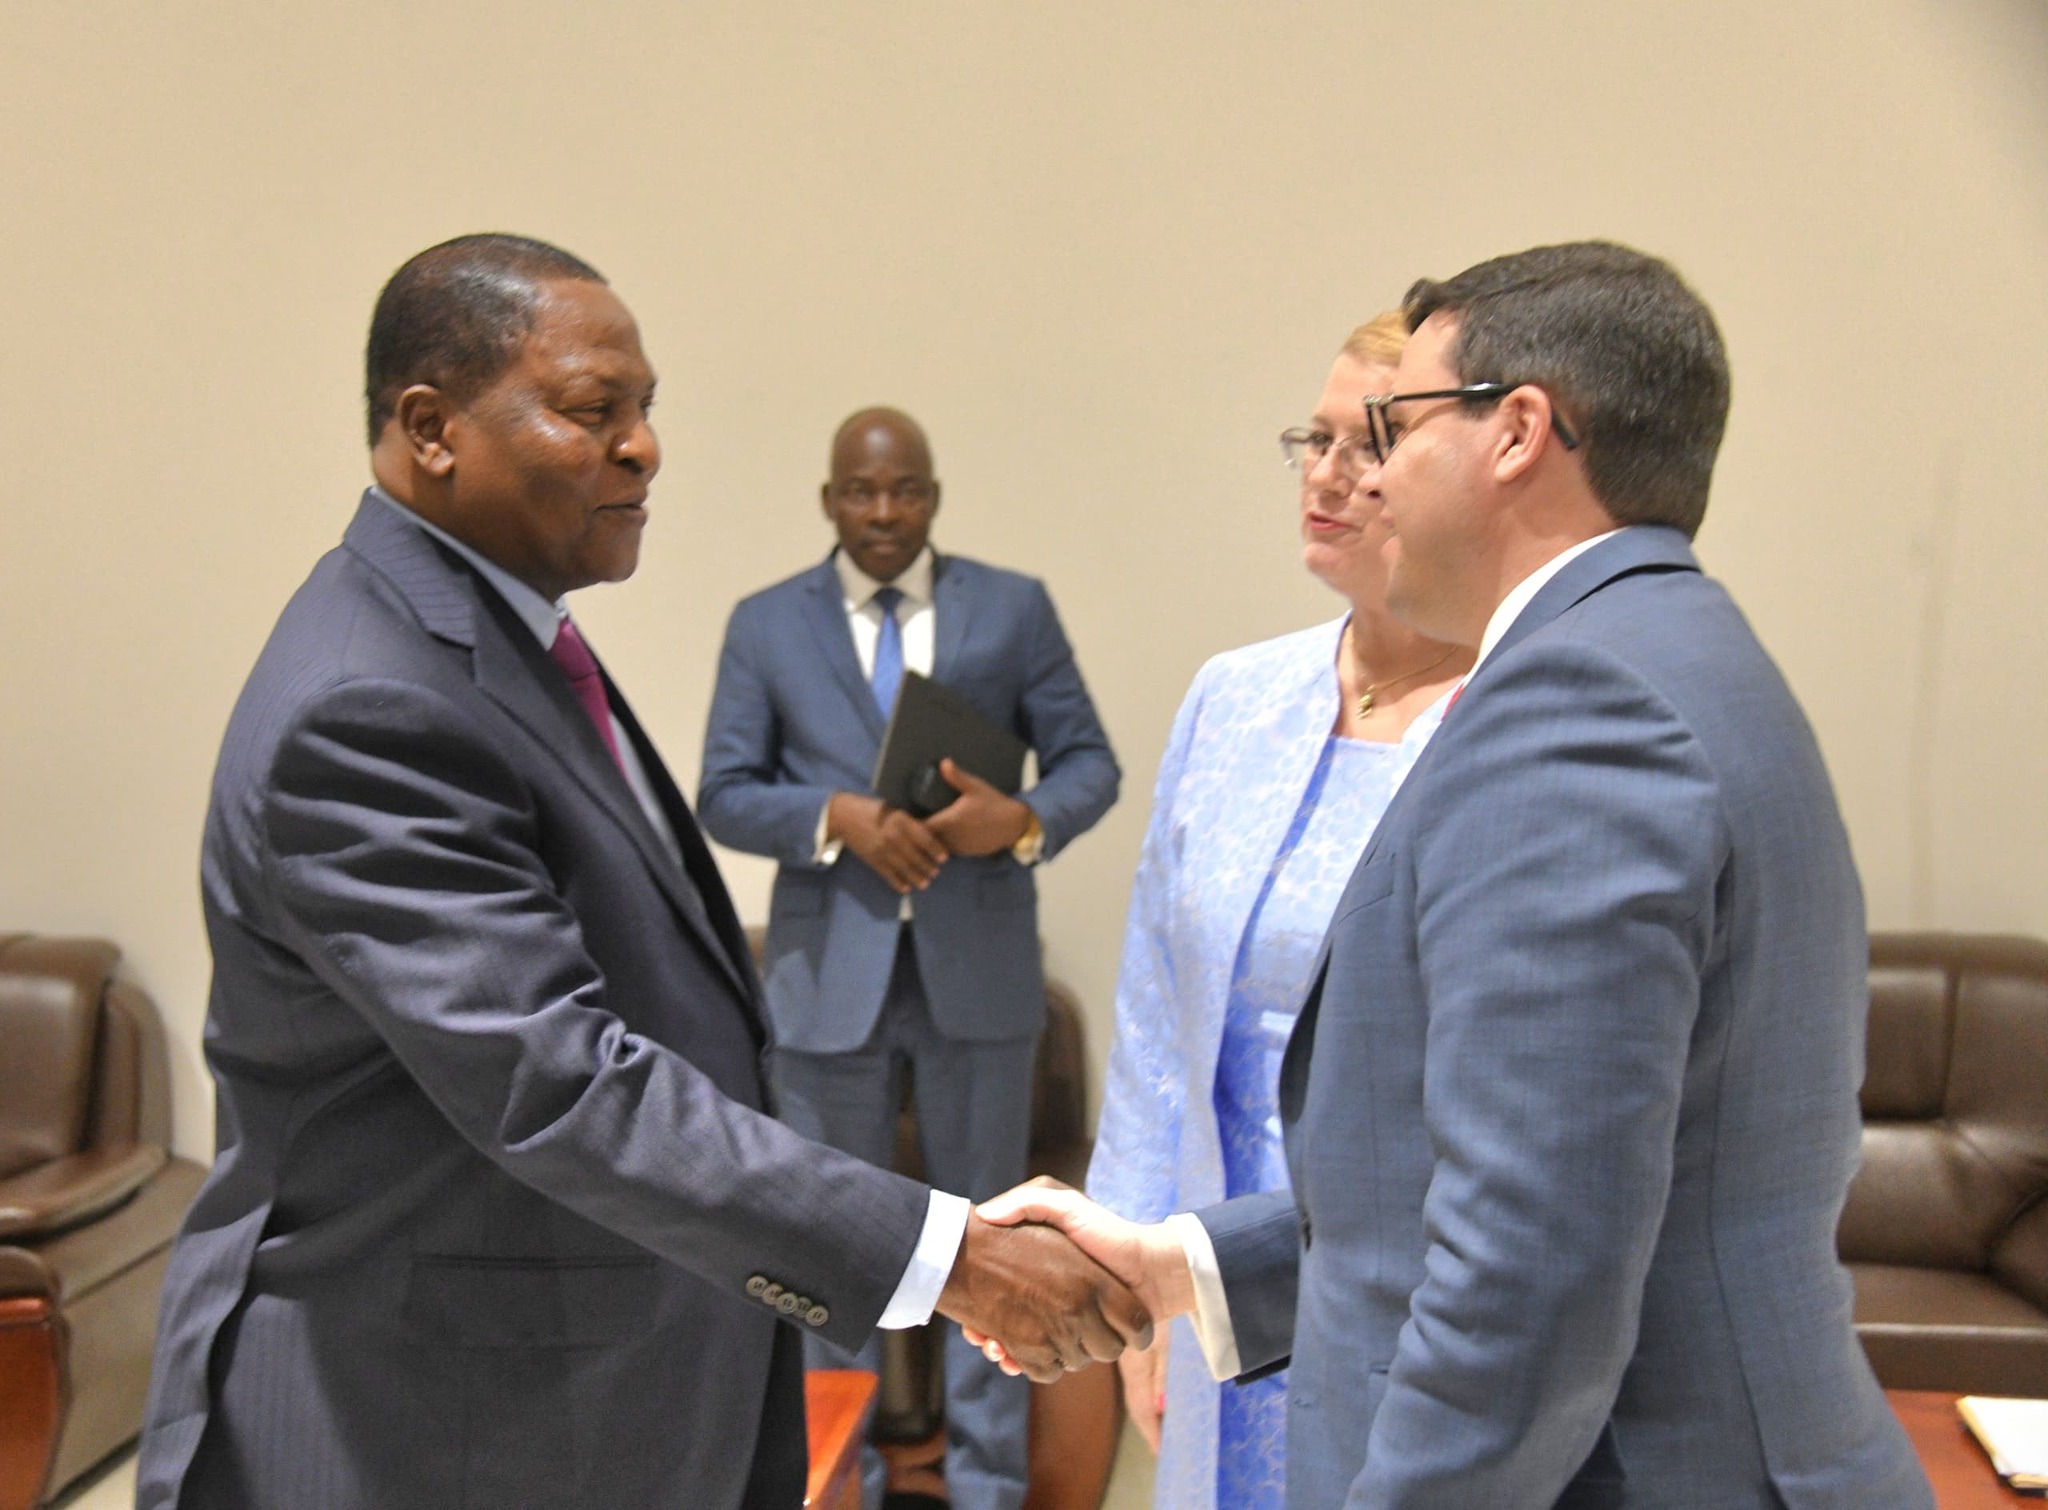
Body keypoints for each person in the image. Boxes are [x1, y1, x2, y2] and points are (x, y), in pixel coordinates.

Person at [135, 234, 1147, 1510]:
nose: (643, 447)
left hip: (580, 1371)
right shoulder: (369, 702)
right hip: (423, 1416)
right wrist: (951, 1257)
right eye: (590, 409)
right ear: (432, 428)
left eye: (646, 408)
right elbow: (558, 1083)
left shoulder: (497, 634)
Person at [981, 241, 1934, 1507]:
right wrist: (1188, 1267)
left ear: (1516, 432)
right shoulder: (1672, 647)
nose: (1364, 473)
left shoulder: (1573, 703)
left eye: (1394, 427)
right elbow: (1514, 1175)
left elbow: (1527, 1274)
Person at [698, 406, 1120, 1510]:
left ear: (932, 495)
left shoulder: (1012, 609)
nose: (883, 512)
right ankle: (837, 1485)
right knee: (824, 1248)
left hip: (978, 978)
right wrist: (833, 814)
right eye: (860, 491)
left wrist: (1017, 822)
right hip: (825, 986)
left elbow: (1089, 763)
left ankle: (985, 1492)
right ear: (829, 499)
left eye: (905, 490)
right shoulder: (765, 624)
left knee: (994, 1246)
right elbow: (723, 793)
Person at [1085, 313, 1469, 1510]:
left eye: (1369, 444)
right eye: (1313, 439)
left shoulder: (1508, 715)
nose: (1326, 474)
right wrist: (1129, 1270)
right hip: (1208, 1256)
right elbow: (1153, 1011)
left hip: (1406, 1280)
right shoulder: (1234, 696)